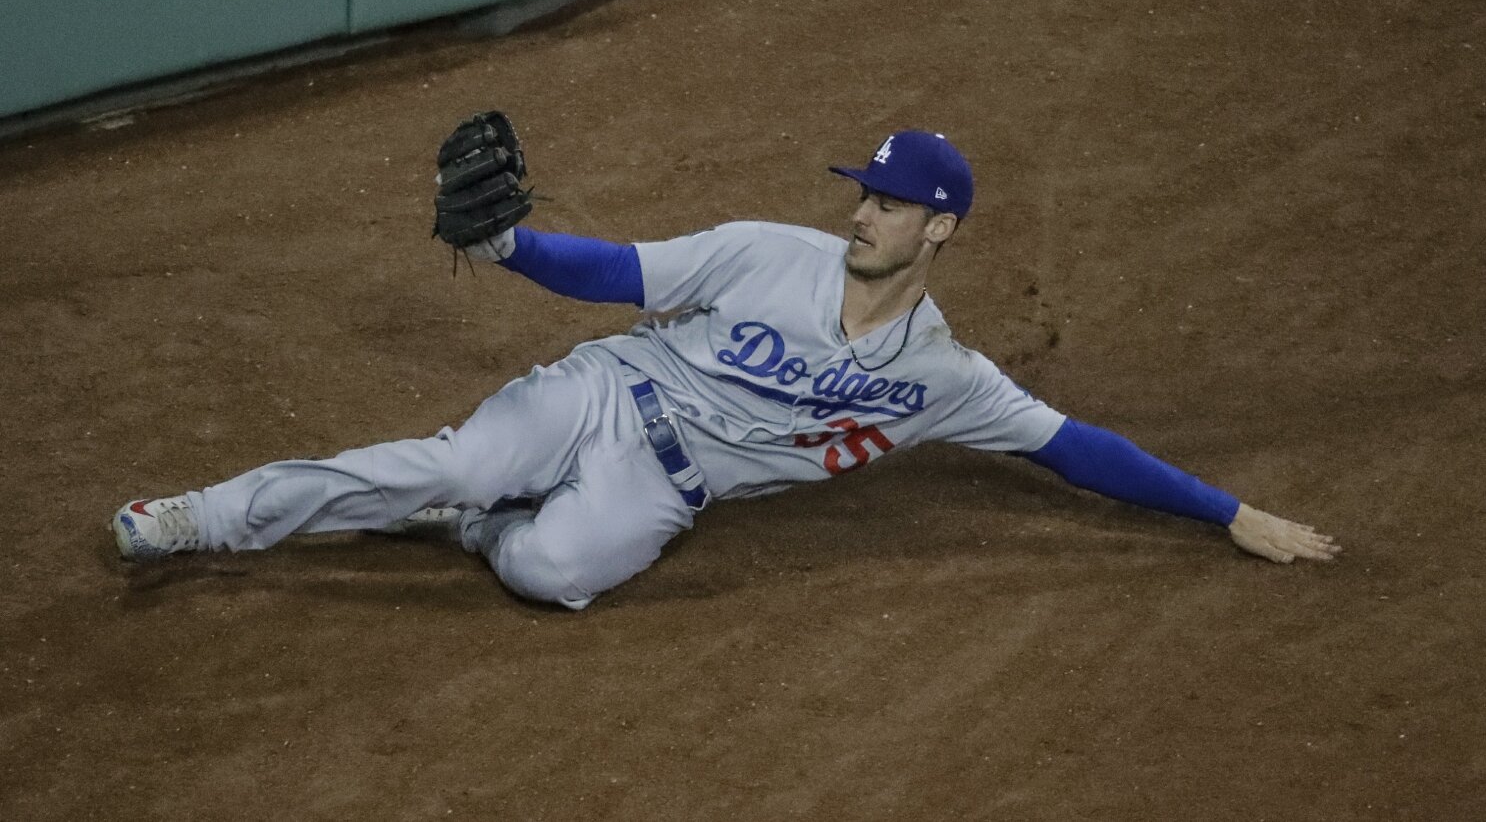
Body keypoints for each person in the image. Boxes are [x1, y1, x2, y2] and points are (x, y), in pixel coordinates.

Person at [112, 129, 1339, 608]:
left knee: (550, 571)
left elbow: (1077, 447)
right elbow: (617, 271)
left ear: (942, 228)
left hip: (669, 487)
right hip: (607, 390)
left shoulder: (945, 377)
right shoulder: (767, 253)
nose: (864, 212)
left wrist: (1228, 511)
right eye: (865, 192)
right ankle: (197, 517)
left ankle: (474, 525)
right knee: (448, 458)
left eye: (892, 202)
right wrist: (507, 243)